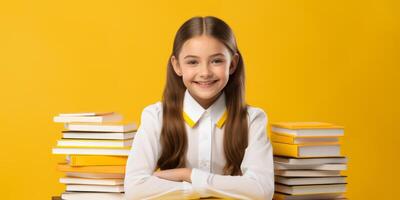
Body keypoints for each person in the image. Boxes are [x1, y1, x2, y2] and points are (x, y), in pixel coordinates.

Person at [124, 16, 274, 200]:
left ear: (233, 64)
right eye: (192, 62)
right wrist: (201, 189)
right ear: (177, 65)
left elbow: (261, 190)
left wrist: (187, 175)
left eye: (216, 61)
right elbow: (134, 188)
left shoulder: (253, 119)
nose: (205, 73)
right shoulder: (156, 117)